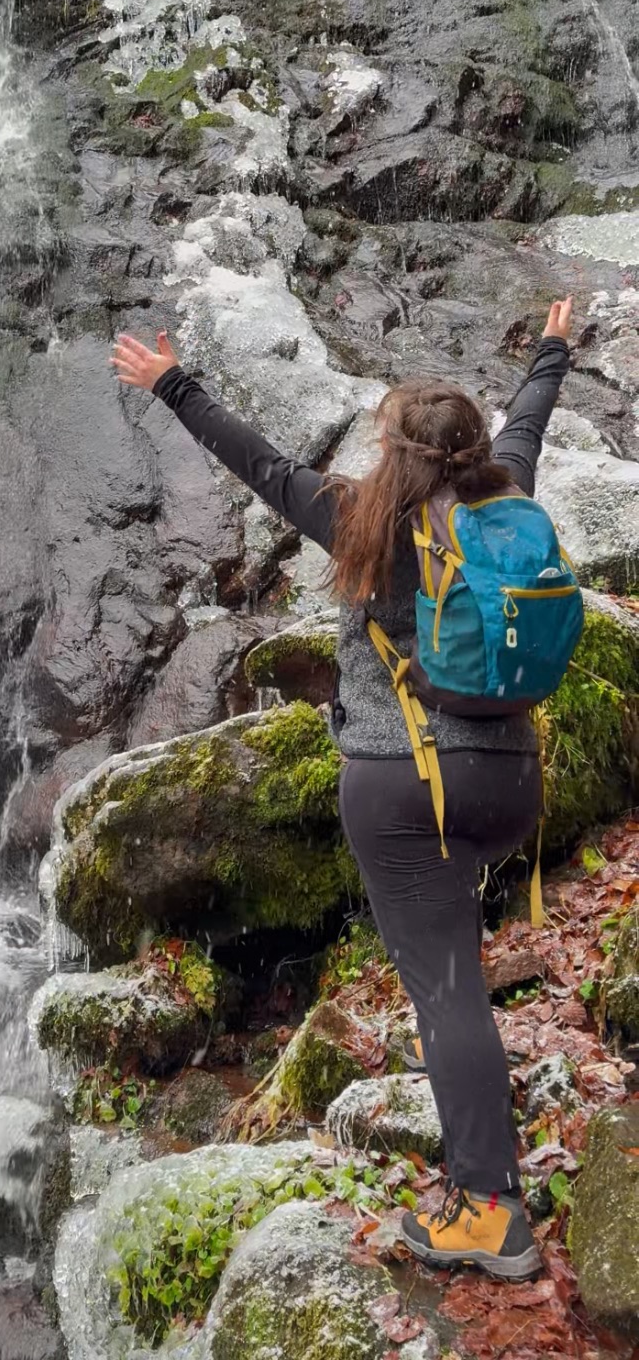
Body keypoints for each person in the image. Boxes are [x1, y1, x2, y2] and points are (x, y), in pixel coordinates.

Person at [111, 297, 575, 1282]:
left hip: (404, 791)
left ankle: (489, 1212)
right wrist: (550, 349)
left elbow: (259, 460)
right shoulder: (508, 502)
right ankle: (466, 1085)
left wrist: (170, 383)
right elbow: (527, 422)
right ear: (471, 450)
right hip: (507, 783)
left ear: (394, 451)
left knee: (447, 990)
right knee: (448, 969)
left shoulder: (361, 518)